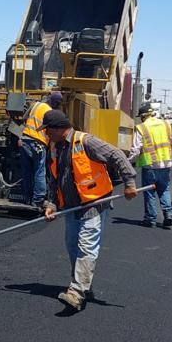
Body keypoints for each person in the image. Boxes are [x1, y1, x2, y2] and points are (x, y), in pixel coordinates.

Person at [41, 110, 138, 311]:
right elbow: (53, 180)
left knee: (86, 247)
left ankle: (76, 293)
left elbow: (116, 154)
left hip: (94, 204)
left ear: (59, 128)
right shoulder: (54, 148)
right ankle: (84, 285)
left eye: (48, 130)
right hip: (71, 207)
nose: (46, 134)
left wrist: (129, 182)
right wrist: (50, 204)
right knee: (72, 247)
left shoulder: (86, 141)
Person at [127, 103, 172, 228]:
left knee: (149, 192)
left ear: (143, 116)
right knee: (164, 190)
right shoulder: (167, 124)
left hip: (150, 166)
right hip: (165, 165)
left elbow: (136, 148)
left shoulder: (142, 128)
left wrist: (128, 162)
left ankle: (150, 219)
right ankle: (168, 214)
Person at [18, 92, 61, 207]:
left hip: (24, 141)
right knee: (39, 171)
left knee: (27, 171)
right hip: (38, 144)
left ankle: (27, 198)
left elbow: (24, 119)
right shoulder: (51, 113)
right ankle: (38, 200)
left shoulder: (36, 105)